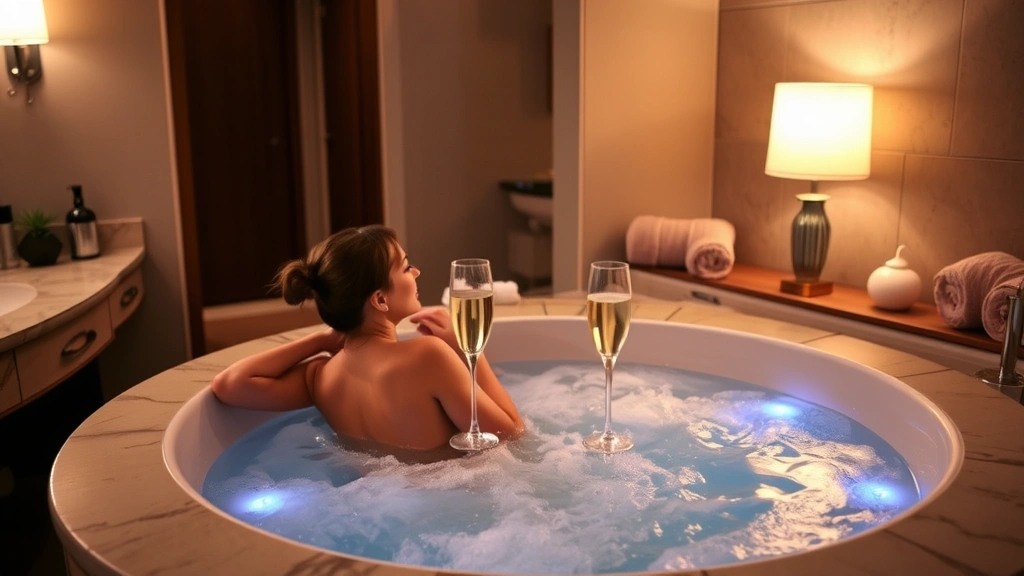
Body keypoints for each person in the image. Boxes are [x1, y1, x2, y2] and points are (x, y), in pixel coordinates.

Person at [211, 225, 524, 455]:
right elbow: (511, 434)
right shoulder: (429, 355)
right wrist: (469, 347)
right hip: (454, 504)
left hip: (374, 503)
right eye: (405, 267)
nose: (416, 272)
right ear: (379, 299)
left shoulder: (320, 376)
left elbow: (230, 385)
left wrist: (318, 343)